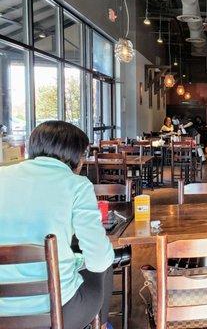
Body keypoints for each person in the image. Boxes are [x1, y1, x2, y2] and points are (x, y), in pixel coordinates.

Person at [0, 121, 114, 329]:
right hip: (59, 313)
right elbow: (99, 259)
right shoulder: (77, 185)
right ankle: (103, 326)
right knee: (104, 264)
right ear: (76, 156)